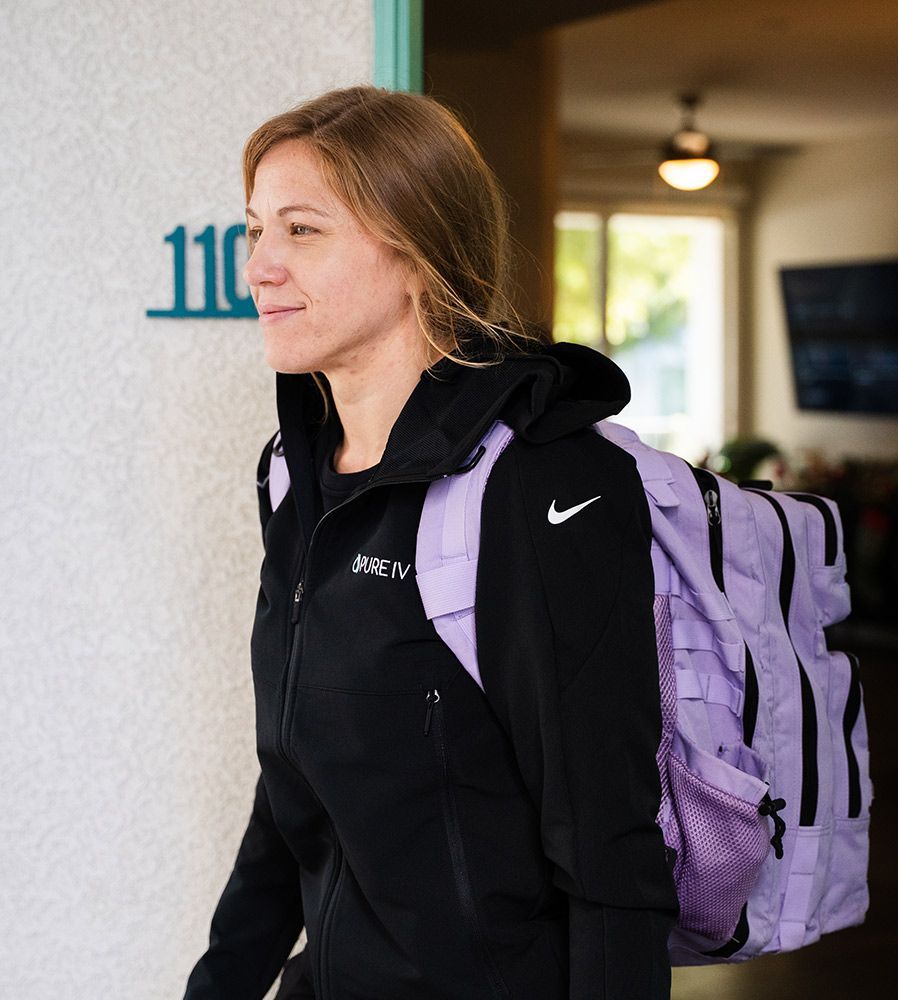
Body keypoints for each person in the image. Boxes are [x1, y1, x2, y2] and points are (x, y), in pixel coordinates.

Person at [184, 85, 678, 1000]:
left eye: (301, 230)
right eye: (254, 229)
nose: (257, 266)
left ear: (416, 251)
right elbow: (294, 787)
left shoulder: (539, 483)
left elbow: (610, 853)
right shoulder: (294, 472)